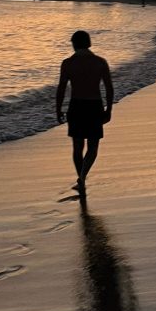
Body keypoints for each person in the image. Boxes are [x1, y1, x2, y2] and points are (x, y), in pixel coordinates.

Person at [56, 30, 114, 192]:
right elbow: (109, 88)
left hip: (76, 106)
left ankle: (81, 179)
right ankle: (82, 177)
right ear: (89, 43)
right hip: (94, 105)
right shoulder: (100, 62)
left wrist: (58, 109)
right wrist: (109, 109)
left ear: (74, 44)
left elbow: (61, 89)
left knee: (77, 146)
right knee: (93, 147)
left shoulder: (67, 63)